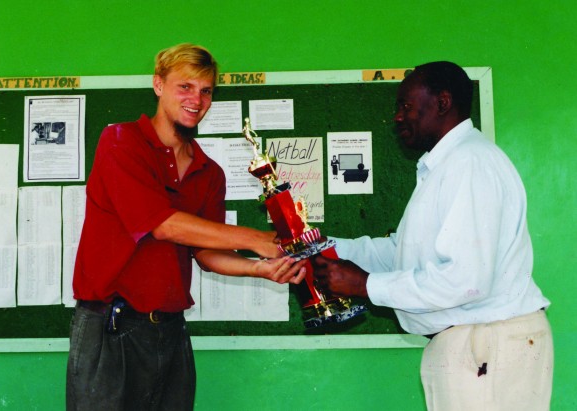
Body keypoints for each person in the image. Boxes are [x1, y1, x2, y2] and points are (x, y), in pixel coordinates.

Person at [66, 43, 306, 411]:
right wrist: (261, 240)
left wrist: (262, 268)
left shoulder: (209, 172)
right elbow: (162, 225)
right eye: (185, 87)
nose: (197, 99)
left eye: (206, 90)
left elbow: (207, 253)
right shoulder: (121, 141)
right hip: (110, 327)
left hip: (171, 330)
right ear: (158, 85)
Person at [312, 61, 553, 410]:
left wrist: (365, 286)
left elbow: (465, 280)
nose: (397, 117)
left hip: (488, 344)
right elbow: (402, 253)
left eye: (406, 106)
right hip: (477, 345)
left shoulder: (470, 163)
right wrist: (322, 248)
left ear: (442, 102)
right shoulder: (447, 166)